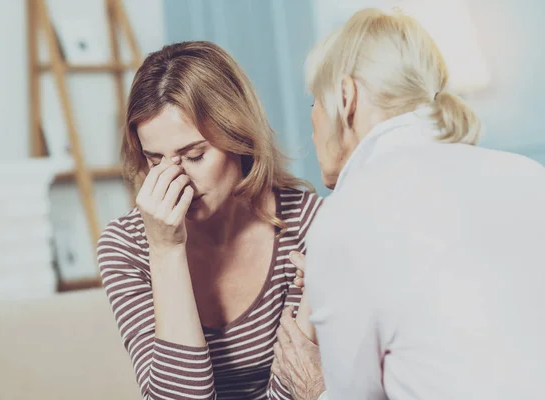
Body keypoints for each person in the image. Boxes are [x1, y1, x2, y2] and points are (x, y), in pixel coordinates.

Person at [273, 7, 545, 399]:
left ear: (346, 97)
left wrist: (313, 388)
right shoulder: (529, 174)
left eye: (313, 102)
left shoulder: (346, 216)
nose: (313, 121)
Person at [96, 40, 326, 399]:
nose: (176, 179)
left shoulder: (310, 224)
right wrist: (166, 251)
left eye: (195, 155)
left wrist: (315, 298)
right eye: (156, 160)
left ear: (240, 137)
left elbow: (299, 386)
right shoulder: (126, 246)